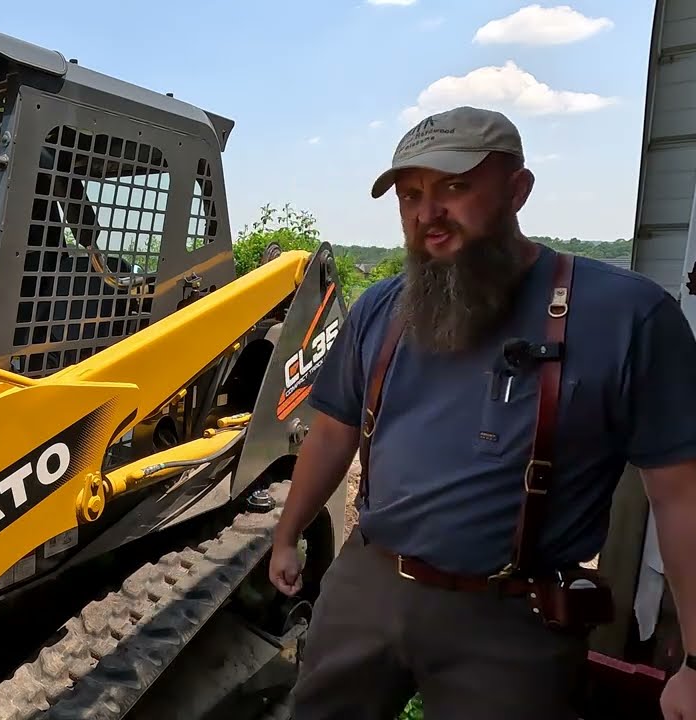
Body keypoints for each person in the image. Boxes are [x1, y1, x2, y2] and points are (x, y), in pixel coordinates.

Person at [266, 105, 696, 720]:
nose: (427, 213)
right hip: (368, 586)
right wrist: (288, 535)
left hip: (512, 619)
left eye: (455, 187)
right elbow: (334, 429)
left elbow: (681, 494)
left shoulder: (627, 317)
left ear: (518, 190)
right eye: (410, 195)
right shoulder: (381, 309)